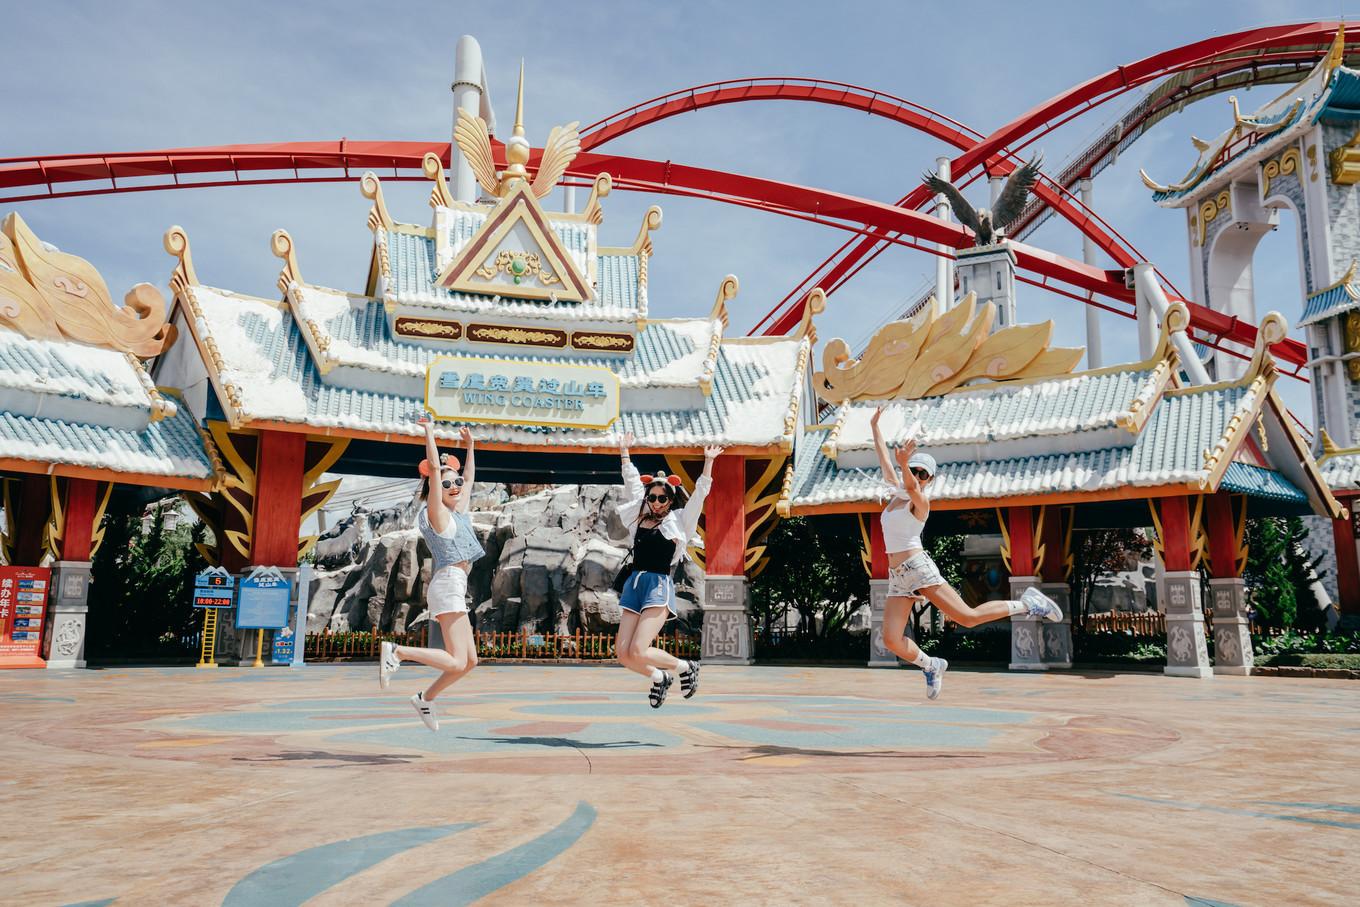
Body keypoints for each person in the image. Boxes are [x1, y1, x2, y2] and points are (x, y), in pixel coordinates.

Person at [870, 406, 1061, 699]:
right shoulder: (897, 493)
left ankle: (1027, 603)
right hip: (898, 575)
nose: (917, 476)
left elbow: (908, 483)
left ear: (929, 480)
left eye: (923, 473)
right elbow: (885, 459)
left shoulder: (920, 501)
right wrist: (875, 426)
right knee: (892, 640)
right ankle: (931, 664)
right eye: (915, 470)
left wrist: (905, 465)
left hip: (917, 567)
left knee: (968, 617)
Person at [378, 416, 485, 731]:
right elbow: (437, 474)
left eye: (457, 484)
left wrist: (470, 446)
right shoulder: (437, 514)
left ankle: (425, 697)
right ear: (436, 488)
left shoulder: (458, 512)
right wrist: (429, 433)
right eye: (447, 484)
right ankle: (396, 652)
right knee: (455, 660)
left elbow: (468, 474)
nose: (455, 486)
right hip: (448, 585)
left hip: (455, 586)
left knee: (470, 662)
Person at [613, 432, 721, 707]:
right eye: (654, 497)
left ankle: (686, 667)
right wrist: (625, 452)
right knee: (623, 655)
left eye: (664, 498)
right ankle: (660, 677)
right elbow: (631, 484)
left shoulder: (679, 521)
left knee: (639, 649)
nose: (658, 502)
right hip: (634, 586)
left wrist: (708, 462)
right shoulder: (639, 516)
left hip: (658, 587)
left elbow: (700, 494)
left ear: (671, 501)